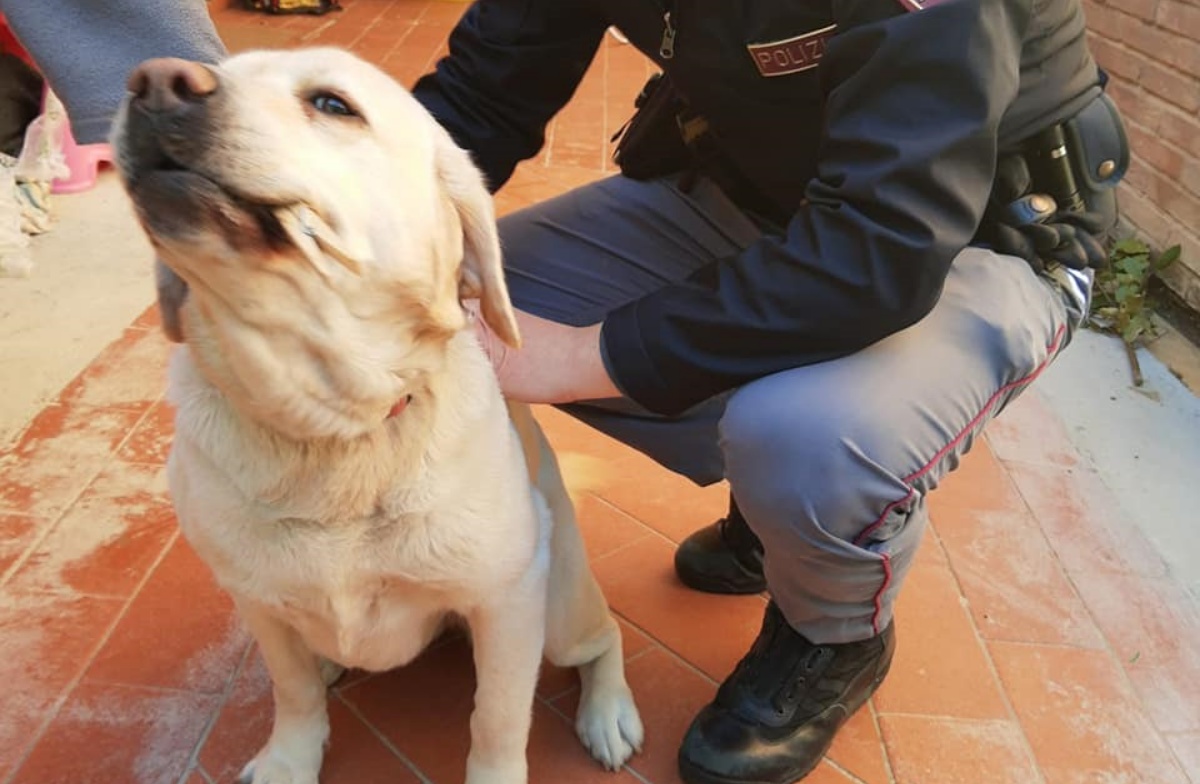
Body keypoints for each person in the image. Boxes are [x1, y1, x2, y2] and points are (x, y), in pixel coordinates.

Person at [6, 2, 1127, 782]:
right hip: (745, 199)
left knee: (809, 436)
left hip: (978, 237)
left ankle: (831, 626)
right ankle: (768, 504)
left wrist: (573, 356)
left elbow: (879, 251)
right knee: (462, 293)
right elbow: (477, 109)